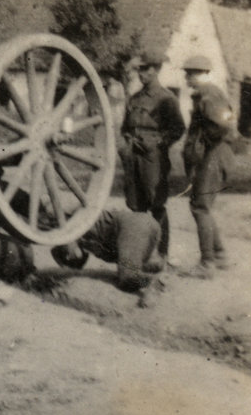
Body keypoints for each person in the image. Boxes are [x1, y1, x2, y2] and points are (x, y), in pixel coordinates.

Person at [119, 50, 185, 264]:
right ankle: (140, 253)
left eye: (145, 69)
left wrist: (158, 143)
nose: (140, 74)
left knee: (156, 203)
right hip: (133, 155)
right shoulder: (135, 98)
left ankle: (161, 254)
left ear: (155, 70)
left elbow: (178, 128)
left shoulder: (166, 98)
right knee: (135, 204)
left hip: (153, 157)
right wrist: (128, 141)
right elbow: (124, 126)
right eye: (139, 70)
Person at [180, 54, 235, 278]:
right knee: (202, 205)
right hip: (212, 155)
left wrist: (204, 144)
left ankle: (207, 263)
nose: (187, 77)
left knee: (200, 207)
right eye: (187, 73)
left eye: (192, 73)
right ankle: (219, 255)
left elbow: (223, 125)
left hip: (214, 156)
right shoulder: (206, 94)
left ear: (204, 74)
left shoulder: (209, 95)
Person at [50, 207, 164, 303]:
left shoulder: (72, 228)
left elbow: (75, 254)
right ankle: (154, 264)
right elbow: (78, 261)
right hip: (144, 225)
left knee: (127, 277)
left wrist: (66, 254)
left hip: (132, 227)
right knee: (130, 262)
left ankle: (151, 281)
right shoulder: (82, 233)